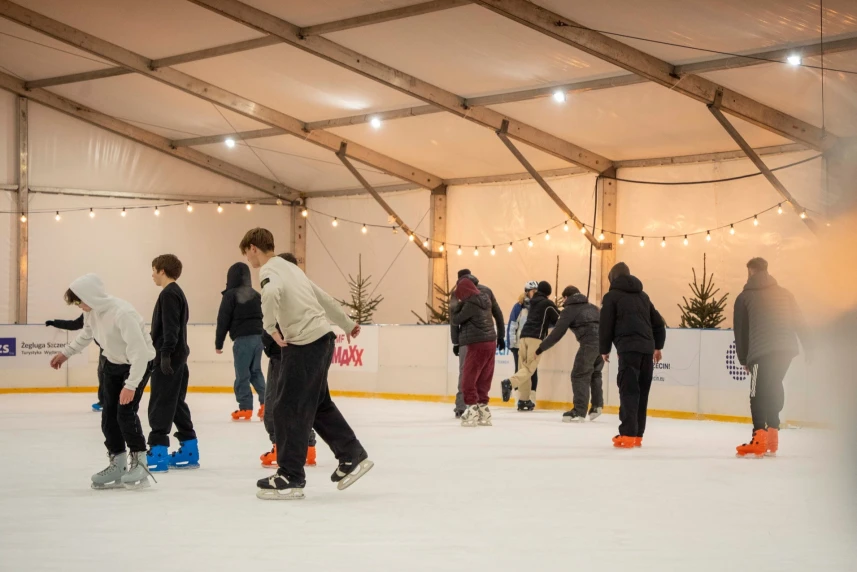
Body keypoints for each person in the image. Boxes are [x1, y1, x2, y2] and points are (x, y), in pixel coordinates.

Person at [240, 228, 373, 500]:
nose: (249, 260)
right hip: (323, 339)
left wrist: (269, 326)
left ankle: (290, 476)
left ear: (253, 248)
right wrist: (346, 323)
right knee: (318, 404)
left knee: (286, 407)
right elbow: (321, 296)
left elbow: (269, 294)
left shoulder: (268, 272)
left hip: (304, 345)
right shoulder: (291, 269)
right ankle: (351, 455)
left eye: (246, 253)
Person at [49, 274, 156, 489]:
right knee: (108, 417)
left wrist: (131, 385)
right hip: (111, 363)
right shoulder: (93, 312)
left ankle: (140, 463)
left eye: (79, 301)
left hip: (137, 364)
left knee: (125, 413)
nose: (78, 306)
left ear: (90, 296)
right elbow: (86, 335)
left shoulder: (122, 313)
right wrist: (66, 353)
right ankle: (117, 462)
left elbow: (139, 353)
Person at [733, 257, 809, 458]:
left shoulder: (744, 297)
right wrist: (810, 346)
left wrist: (743, 359)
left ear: (750, 271)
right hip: (786, 350)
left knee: (757, 392)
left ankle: (758, 439)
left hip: (760, 352)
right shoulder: (785, 294)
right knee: (774, 385)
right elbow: (799, 320)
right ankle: (772, 436)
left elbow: (740, 331)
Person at [259, 252, 317, 469]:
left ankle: (280, 447)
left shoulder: (279, 289)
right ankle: (308, 447)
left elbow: (270, 320)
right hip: (302, 354)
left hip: (283, 356)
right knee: (300, 403)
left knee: (277, 404)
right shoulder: (305, 291)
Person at [599, 262, 666, 449]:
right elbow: (658, 323)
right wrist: (657, 346)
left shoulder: (611, 297)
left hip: (628, 350)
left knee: (628, 391)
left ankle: (627, 434)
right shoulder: (643, 296)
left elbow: (605, 324)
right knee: (642, 392)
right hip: (647, 350)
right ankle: (637, 435)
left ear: (612, 278)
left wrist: (604, 349)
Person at [147, 254, 198, 472]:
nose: (152, 275)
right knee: (176, 403)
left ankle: (158, 451)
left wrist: (165, 355)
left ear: (162, 270)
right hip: (178, 357)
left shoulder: (169, 294)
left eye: (153, 270)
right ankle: (189, 448)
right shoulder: (177, 293)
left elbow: (170, 328)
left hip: (169, 358)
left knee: (160, 402)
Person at [536, 286, 603, 422]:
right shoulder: (593, 307)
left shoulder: (569, 310)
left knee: (579, 375)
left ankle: (579, 411)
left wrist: (541, 348)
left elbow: (557, 333)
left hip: (588, 344)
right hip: (602, 345)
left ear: (566, 297)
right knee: (595, 373)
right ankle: (597, 406)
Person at [215, 261, 266, 421]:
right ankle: (266, 405)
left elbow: (223, 319)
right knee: (256, 372)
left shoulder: (230, 295)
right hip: (259, 337)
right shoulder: (256, 295)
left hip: (243, 339)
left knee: (242, 374)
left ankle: (245, 408)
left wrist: (219, 343)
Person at [450, 269, 504, 418]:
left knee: (466, 375)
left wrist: (455, 342)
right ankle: (481, 410)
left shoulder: (459, 293)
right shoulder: (487, 291)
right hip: (489, 339)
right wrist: (500, 336)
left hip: (469, 341)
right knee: (483, 377)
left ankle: (464, 408)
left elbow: (454, 320)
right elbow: (498, 313)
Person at [501, 281, 559, 411]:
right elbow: (559, 318)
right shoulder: (548, 304)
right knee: (529, 368)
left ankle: (523, 400)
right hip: (535, 338)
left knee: (523, 367)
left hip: (523, 337)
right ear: (548, 293)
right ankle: (509, 382)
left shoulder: (531, 303)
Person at [46, 314, 105, 412]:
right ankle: (104, 401)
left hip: (117, 348)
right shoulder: (88, 314)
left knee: (108, 374)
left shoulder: (103, 311)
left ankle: (112, 402)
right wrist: (55, 323)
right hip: (105, 348)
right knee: (102, 373)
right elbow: (75, 324)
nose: (80, 306)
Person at [508, 282, 540, 399]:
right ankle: (519, 397)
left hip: (532, 342)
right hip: (519, 344)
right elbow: (512, 325)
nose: (535, 293)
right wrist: (512, 344)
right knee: (520, 370)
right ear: (527, 292)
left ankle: (531, 396)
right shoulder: (519, 306)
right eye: (533, 291)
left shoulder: (538, 306)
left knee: (532, 370)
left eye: (537, 291)